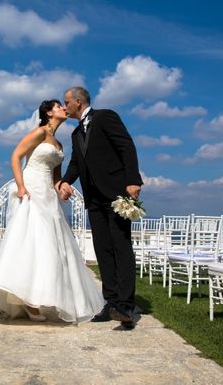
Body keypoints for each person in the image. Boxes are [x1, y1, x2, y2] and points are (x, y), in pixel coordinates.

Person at [0, 99, 105, 323]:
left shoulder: (59, 144)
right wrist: (21, 186)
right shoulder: (39, 133)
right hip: (32, 189)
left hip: (48, 194)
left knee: (51, 245)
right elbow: (15, 156)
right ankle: (29, 302)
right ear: (49, 113)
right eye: (59, 106)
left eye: (64, 105)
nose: (64, 108)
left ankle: (38, 295)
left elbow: (55, 176)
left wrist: (61, 187)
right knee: (33, 240)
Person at [58, 86, 143, 329]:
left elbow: (126, 146)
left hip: (117, 193)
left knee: (120, 247)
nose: (65, 107)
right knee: (103, 250)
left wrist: (133, 180)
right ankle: (111, 301)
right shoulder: (76, 134)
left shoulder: (105, 116)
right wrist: (65, 181)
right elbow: (76, 163)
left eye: (66, 102)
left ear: (77, 102)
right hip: (93, 199)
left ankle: (126, 305)